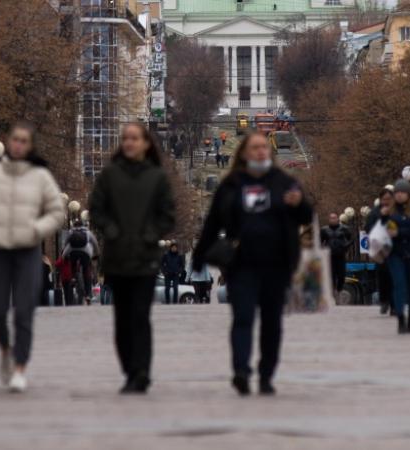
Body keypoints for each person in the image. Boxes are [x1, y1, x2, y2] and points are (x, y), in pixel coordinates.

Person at [192, 132, 313, 397]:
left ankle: (267, 374)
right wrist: (199, 254)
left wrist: (299, 203)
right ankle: (241, 371)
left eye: (263, 148)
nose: (260, 152)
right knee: (243, 318)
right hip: (242, 264)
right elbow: (213, 222)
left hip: (277, 264)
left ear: (269, 152)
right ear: (245, 153)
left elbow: (307, 215)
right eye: (254, 148)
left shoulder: (284, 182)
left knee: (272, 323)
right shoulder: (232, 184)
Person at [0, 121, 66, 393]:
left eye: (24, 141)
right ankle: (5, 349)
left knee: (24, 310)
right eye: (15, 140)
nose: (19, 145)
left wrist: (37, 229)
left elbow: (56, 212)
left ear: (30, 145)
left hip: (28, 252)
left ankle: (20, 368)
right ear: (8, 142)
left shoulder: (40, 176)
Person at [89, 122, 176, 395]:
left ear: (146, 143)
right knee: (122, 320)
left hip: (146, 258)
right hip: (116, 258)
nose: (129, 142)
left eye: (135, 138)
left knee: (140, 317)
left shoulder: (157, 177)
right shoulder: (109, 175)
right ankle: (129, 369)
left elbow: (167, 214)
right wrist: (110, 230)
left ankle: (142, 372)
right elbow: (96, 209)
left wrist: (152, 234)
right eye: (126, 138)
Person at [386, 179, 410, 334]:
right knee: (399, 284)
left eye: (402, 192)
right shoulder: (390, 211)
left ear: (408, 194)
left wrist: (400, 232)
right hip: (395, 254)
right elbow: (386, 228)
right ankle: (401, 317)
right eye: (397, 192)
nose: (399, 195)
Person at [365, 187, 395, 315]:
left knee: (394, 277)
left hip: (395, 249)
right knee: (383, 276)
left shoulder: (396, 212)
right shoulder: (374, 213)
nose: (387, 201)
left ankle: (394, 305)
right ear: (381, 199)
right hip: (381, 250)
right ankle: (384, 301)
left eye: (389, 199)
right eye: (384, 199)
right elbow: (368, 228)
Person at [62, 219, 99, 304]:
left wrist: (64, 256)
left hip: (72, 251)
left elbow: (65, 244)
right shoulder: (88, 232)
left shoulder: (71, 232)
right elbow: (95, 244)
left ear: (74, 225)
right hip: (86, 252)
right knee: (87, 272)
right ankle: (88, 294)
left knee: (72, 264)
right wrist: (96, 254)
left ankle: (73, 278)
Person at [321, 212, 353, 298]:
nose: (333, 220)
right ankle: (333, 293)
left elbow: (351, 238)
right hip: (330, 256)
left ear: (338, 219)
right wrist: (323, 250)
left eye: (335, 218)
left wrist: (345, 247)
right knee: (331, 275)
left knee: (341, 275)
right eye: (331, 218)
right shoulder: (324, 230)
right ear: (329, 219)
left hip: (340, 256)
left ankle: (339, 289)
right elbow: (320, 241)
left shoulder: (344, 229)